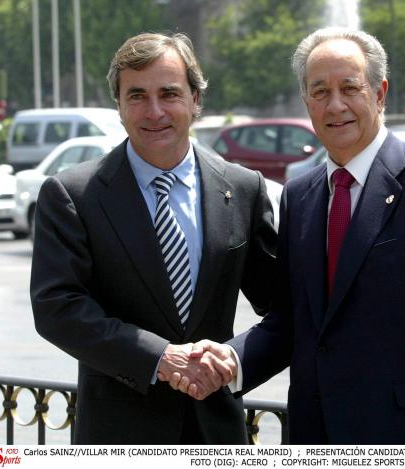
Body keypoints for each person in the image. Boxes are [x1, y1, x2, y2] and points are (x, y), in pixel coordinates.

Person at [170, 27, 405, 444]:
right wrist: (230, 358)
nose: (336, 104)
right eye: (320, 91)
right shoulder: (300, 195)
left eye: (350, 87)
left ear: (380, 93)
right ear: (306, 101)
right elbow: (292, 321)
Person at [30, 32, 276, 444]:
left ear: (196, 100)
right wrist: (158, 358)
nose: (154, 111)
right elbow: (58, 308)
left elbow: (284, 307)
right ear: (119, 105)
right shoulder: (72, 195)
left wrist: (233, 360)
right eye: (137, 96)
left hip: (217, 432)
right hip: (119, 436)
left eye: (169, 93)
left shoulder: (243, 188)